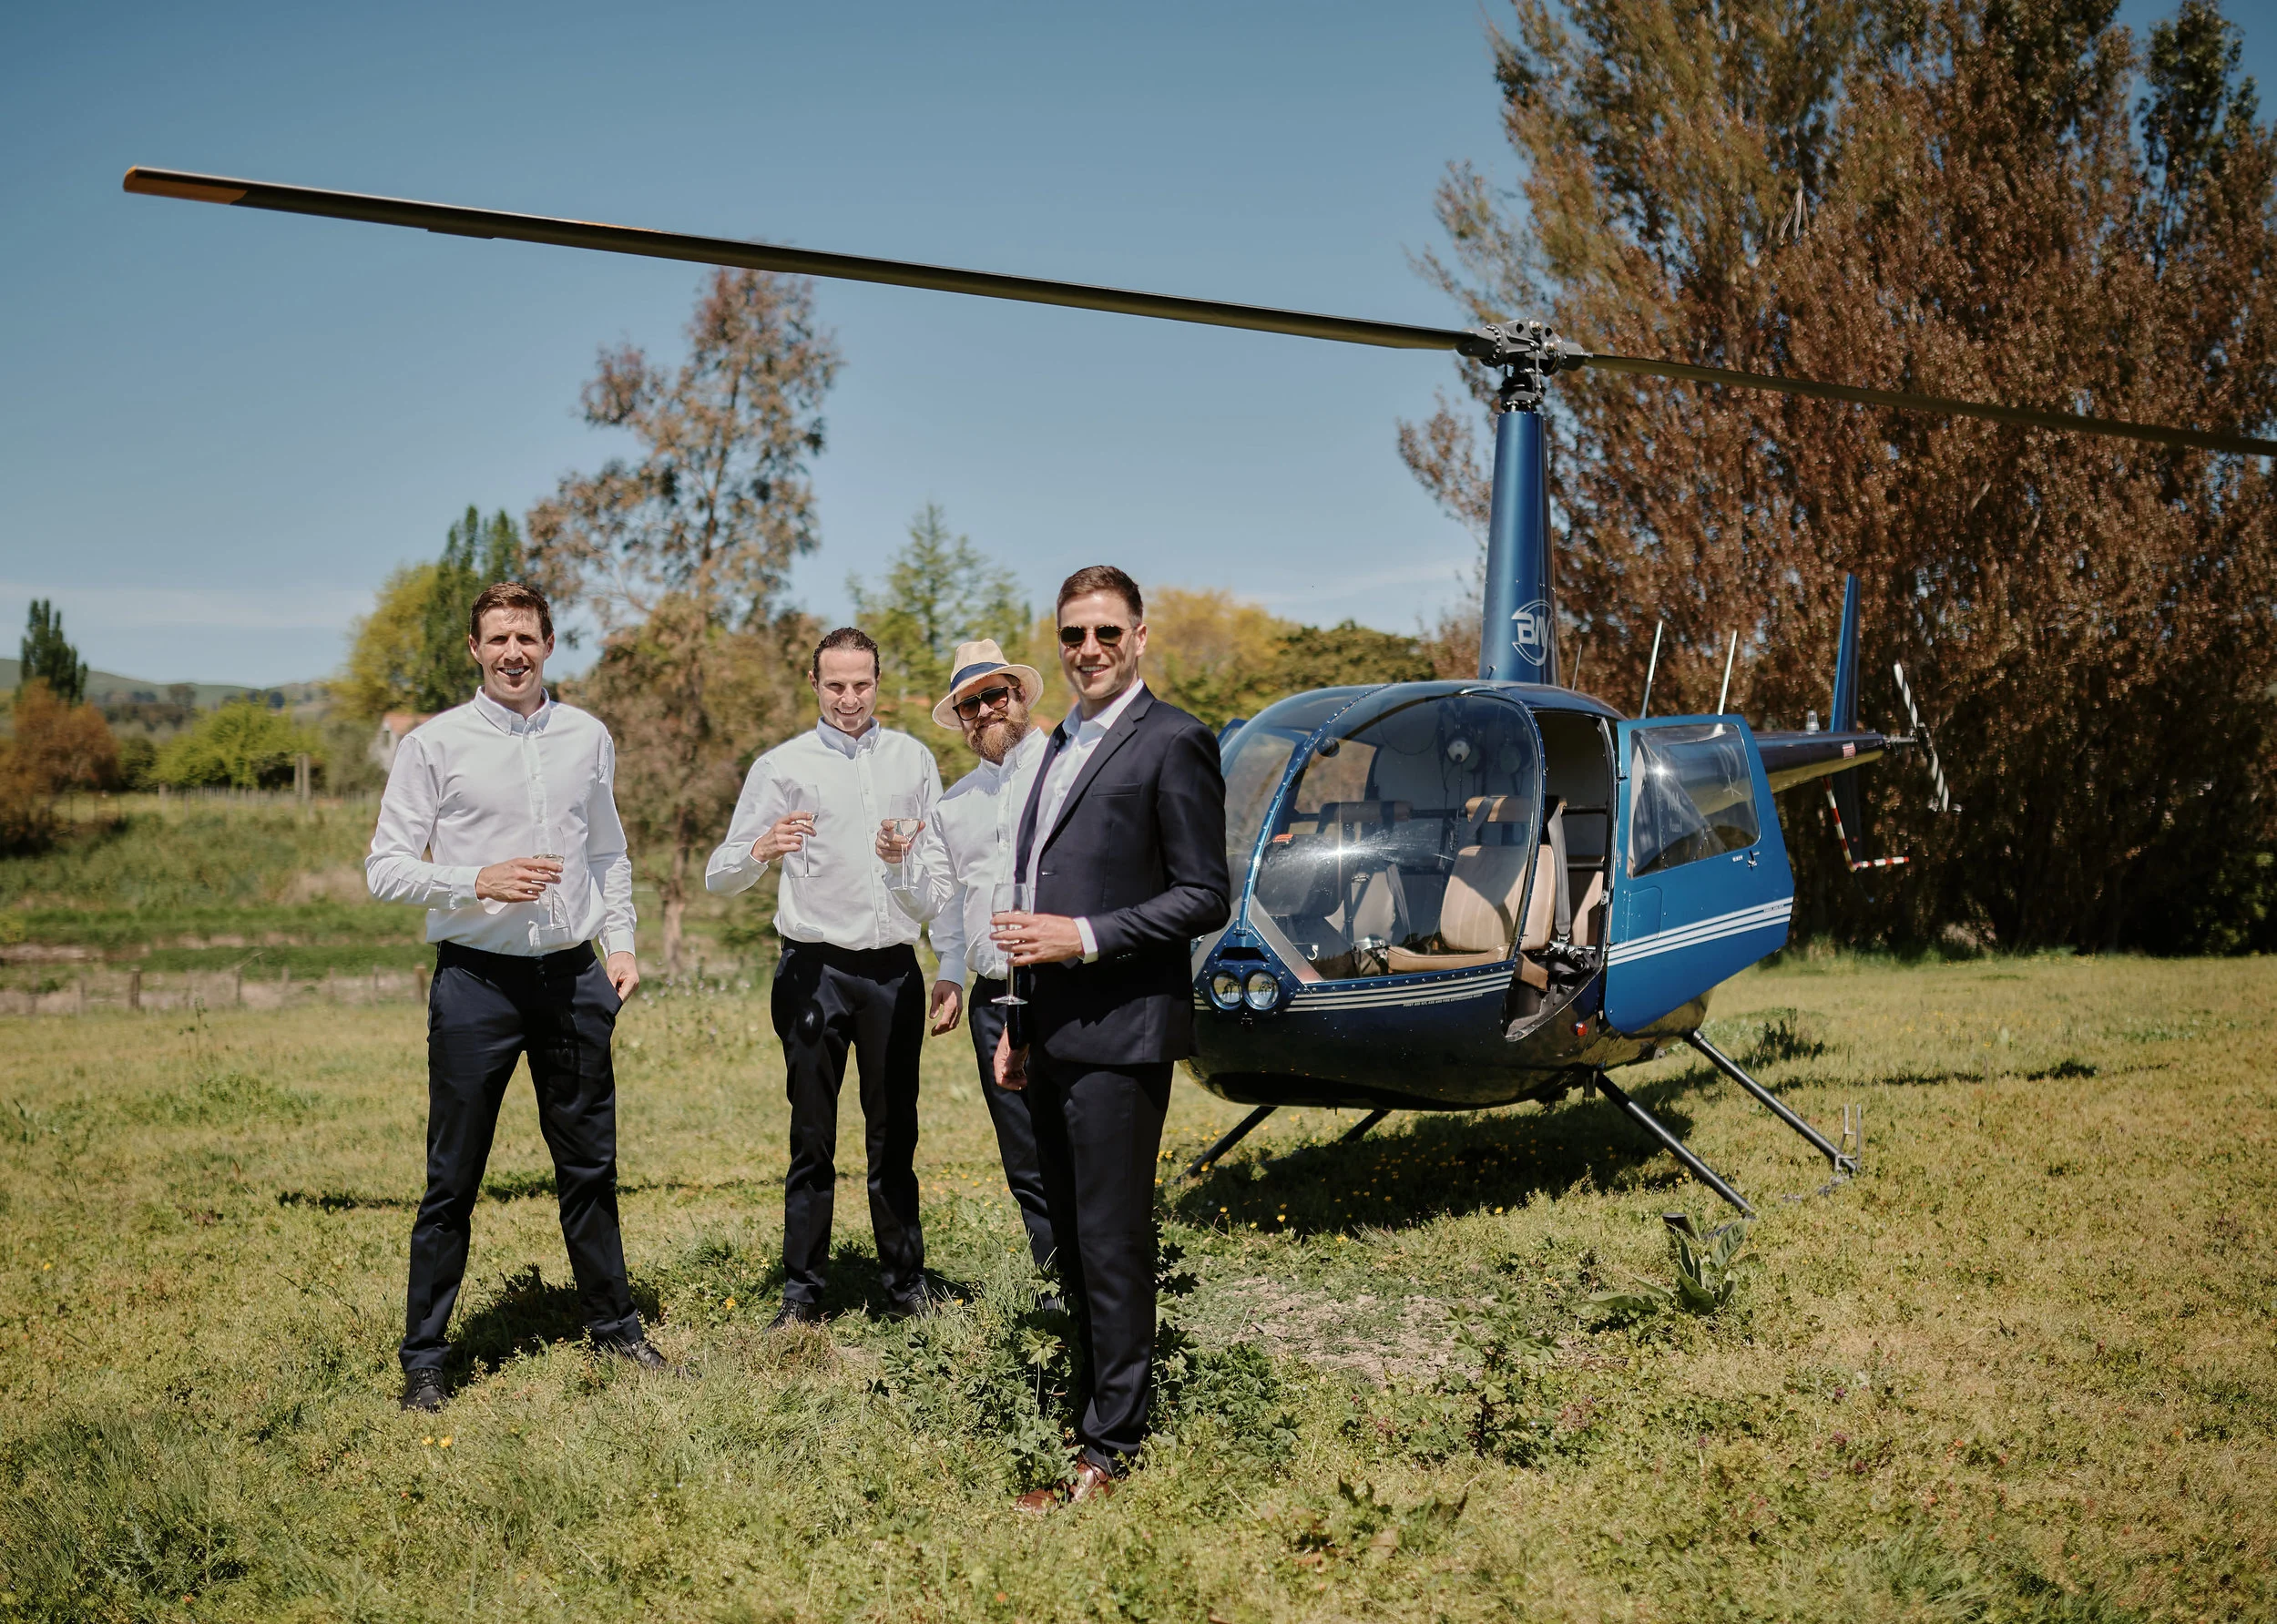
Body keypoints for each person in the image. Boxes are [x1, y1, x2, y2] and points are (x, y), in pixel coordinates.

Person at [367, 580, 666, 1413]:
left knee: (590, 1165)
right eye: (497, 639)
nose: (512, 653)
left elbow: (608, 853)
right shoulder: (434, 744)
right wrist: (477, 879)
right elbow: (385, 867)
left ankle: (615, 1329)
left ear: (548, 644)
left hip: (573, 979)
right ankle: (426, 1355)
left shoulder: (586, 736)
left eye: (526, 638)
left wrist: (622, 943)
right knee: (452, 1177)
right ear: (474, 648)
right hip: (476, 983)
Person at [992, 566, 1230, 1509]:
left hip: (1122, 1031)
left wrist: (1082, 940)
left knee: (1112, 1238)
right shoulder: (1057, 742)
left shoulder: (1174, 740)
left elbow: (1204, 894)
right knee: (1071, 1240)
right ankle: (1094, 1408)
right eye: (1072, 635)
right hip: (1046, 1029)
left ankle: (1114, 1446)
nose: (1087, 649)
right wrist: (1015, 1016)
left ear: (1140, 637)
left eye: (1104, 633)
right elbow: (1031, 893)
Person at [708, 627, 943, 1327]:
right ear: (813, 684)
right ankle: (803, 1293)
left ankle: (904, 1285)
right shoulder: (780, 766)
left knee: (894, 1133)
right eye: (835, 684)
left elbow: (937, 884)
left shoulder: (914, 759)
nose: (849, 698)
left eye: (862, 684)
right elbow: (720, 874)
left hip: (893, 972)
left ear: (879, 681)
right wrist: (761, 846)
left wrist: (909, 864)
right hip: (813, 970)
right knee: (812, 1135)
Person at [873, 638, 1056, 1276]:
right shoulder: (952, 805)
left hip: (1065, 981)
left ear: (1020, 695)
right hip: (992, 993)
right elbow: (944, 901)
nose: (983, 711)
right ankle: (1057, 1280)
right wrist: (949, 969)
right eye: (969, 704)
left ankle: (1113, 1283)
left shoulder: (1064, 770)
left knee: (1083, 1137)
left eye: (993, 695)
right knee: (1023, 1150)